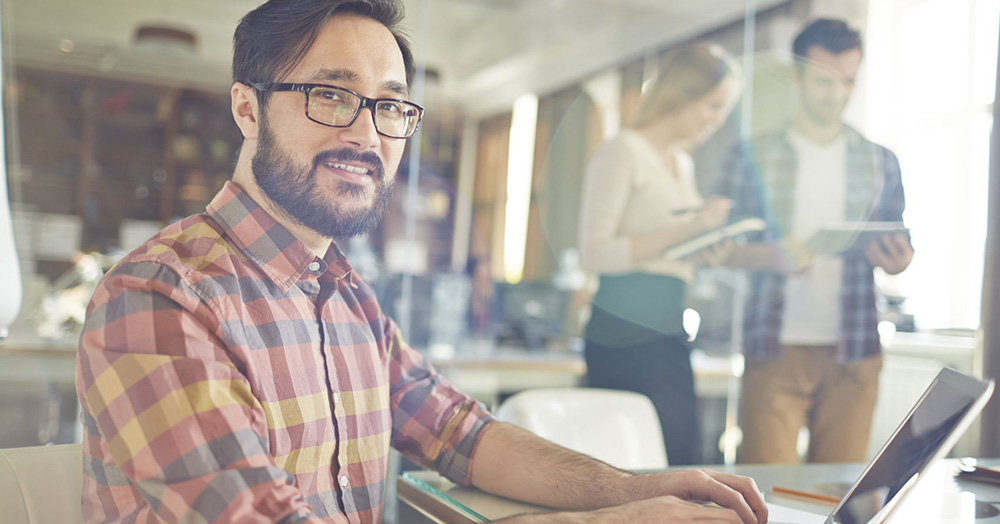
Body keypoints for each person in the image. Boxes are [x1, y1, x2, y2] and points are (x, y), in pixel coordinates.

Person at [75, 2, 768, 523]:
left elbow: (462, 434)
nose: (367, 133)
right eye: (331, 95)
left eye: (390, 106)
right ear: (247, 110)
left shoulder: (348, 298)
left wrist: (638, 488)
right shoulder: (160, 298)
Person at [714, 18, 914, 464]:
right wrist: (771, 256)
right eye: (824, 80)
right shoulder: (753, 155)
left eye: (848, 80)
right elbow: (716, 251)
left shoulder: (880, 161)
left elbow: (895, 240)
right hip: (774, 349)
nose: (837, 93)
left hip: (855, 351)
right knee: (762, 495)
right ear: (797, 76)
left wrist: (898, 261)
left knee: (839, 497)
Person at [578, 43, 738, 466]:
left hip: (668, 329)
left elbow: (672, 249)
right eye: (712, 106)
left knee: (679, 455)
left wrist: (705, 248)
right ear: (684, 93)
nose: (716, 120)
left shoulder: (681, 164)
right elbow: (593, 252)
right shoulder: (622, 151)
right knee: (632, 464)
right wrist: (687, 230)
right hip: (621, 330)